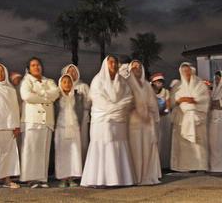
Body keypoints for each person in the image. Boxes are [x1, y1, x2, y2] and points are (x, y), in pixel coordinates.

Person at [81, 55, 134, 187]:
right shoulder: (97, 80)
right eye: (111, 62)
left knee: (118, 146)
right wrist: (116, 108)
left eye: (115, 62)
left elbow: (128, 99)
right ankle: (99, 180)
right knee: (102, 147)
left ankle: (119, 179)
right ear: (105, 64)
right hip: (101, 121)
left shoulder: (122, 82)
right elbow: (99, 101)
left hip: (119, 121)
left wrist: (116, 109)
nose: (114, 65)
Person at [20, 57, 60, 188]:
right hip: (32, 120)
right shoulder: (26, 81)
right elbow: (26, 96)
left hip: (47, 120)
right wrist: (46, 98)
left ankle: (42, 179)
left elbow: (56, 93)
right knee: (31, 150)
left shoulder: (49, 81)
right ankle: (30, 178)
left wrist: (40, 94)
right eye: (33, 65)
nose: (36, 67)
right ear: (29, 68)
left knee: (43, 150)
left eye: (38, 65)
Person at [122, 60, 161, 185]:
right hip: (133, 122)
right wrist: (135, 107)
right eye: (134, 67)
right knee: (135, 150)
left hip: (147, 122)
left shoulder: (147, 85)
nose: (137, 69)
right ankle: (135, 177)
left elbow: (153, 104)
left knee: (147, 149)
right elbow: (125, 102)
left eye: (139, 67)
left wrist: (152, 116)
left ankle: (146, 176)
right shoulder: (126, 83)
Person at [171, 63, 210, 172]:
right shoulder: (177, 86)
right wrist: (182, 99)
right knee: (184, 144)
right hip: (182, 119)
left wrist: (193, 101)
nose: (186, 73)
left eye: (188, 70)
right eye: (184, 71)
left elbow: (203, 98)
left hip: (197, 118)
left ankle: (200, 165)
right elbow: (173, 101)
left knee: (199, 143)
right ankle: (186, 166)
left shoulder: (199, 84)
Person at [55, 74, 83, 188]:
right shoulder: (56, 97)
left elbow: (80, 111)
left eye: (69, 82)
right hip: (61, 128)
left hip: (74, 127)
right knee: (62, 153)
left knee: (74, 152)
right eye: (64, 82)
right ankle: (63, 178)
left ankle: (72, 177)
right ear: (60, 84)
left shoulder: (76, 96)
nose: (67, 84)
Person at [61, 64, 91, 163]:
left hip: (82, 118)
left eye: (74, 71)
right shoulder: (63, 87)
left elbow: (90, 103)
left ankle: (82, 167)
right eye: (70, 71)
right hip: (67, 119)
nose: (72, 73)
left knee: (82, 143)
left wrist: (81, 100)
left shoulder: (83, 86)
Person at [151, 72, 171, 170]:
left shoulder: (165, 92)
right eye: (157, 82)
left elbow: (168, 105)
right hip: (153, 119)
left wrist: (165, 111)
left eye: (161, 82)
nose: (159, 84)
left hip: (164, 119)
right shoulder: (149, 91)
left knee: (164, 140)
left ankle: (164, 164)